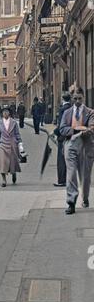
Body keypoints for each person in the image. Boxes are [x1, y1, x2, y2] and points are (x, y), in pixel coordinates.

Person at [60, 87, 94, 215]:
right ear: (72, 98)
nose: (77, 101)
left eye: (80, 98)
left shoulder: (90, 112)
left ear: (83, 98)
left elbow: (91, 128)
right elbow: (62, 129)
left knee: (85, 177)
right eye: (75, 98)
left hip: (86, 146)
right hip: (70, 144)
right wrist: (75, 130)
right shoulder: (67, 113)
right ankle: (71, 201)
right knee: (71, 173)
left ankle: (85, 198)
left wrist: (83, 129)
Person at [0, 106, 24, 187]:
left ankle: (14, 173)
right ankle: (4, 180)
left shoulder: (14, 122)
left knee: (12, 162)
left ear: (9, 113)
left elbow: (17, 134)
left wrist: (20, 145)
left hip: (13, 144)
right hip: (3, 144)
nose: (5, 113)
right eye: (4, 112)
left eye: (7, 111)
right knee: (3, 162)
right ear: (2, 114)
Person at [53, 93, 72, 187]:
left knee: (61, 160)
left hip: (63, 137)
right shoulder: (73, 108)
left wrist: (54, 133)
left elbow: (61, 125)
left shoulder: (62, 109)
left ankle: (62, 180)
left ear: (62, 99)